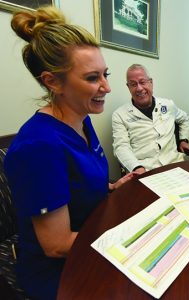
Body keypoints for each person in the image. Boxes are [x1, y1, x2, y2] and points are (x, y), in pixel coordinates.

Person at [4, 6, 137, 299]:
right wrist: (134, 237)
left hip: (92, 236)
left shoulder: (82, 120)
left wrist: (111, 188)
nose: (107, 87)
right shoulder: (39, 146)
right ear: (52, 81)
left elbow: (76, 186)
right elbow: (57, 245)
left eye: (106, 74)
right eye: (92, 78)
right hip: (59, 271)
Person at [112, 64, 189, 174]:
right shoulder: (119, 115)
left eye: (142, 82)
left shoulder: (168, 105)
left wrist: (183, 140)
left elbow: (184, 119)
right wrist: (137, 168)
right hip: (145, 171)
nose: (139, 88)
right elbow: (121, 147)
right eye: (133, 84)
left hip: (175, 166)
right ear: (128, 87)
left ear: (151, 82)